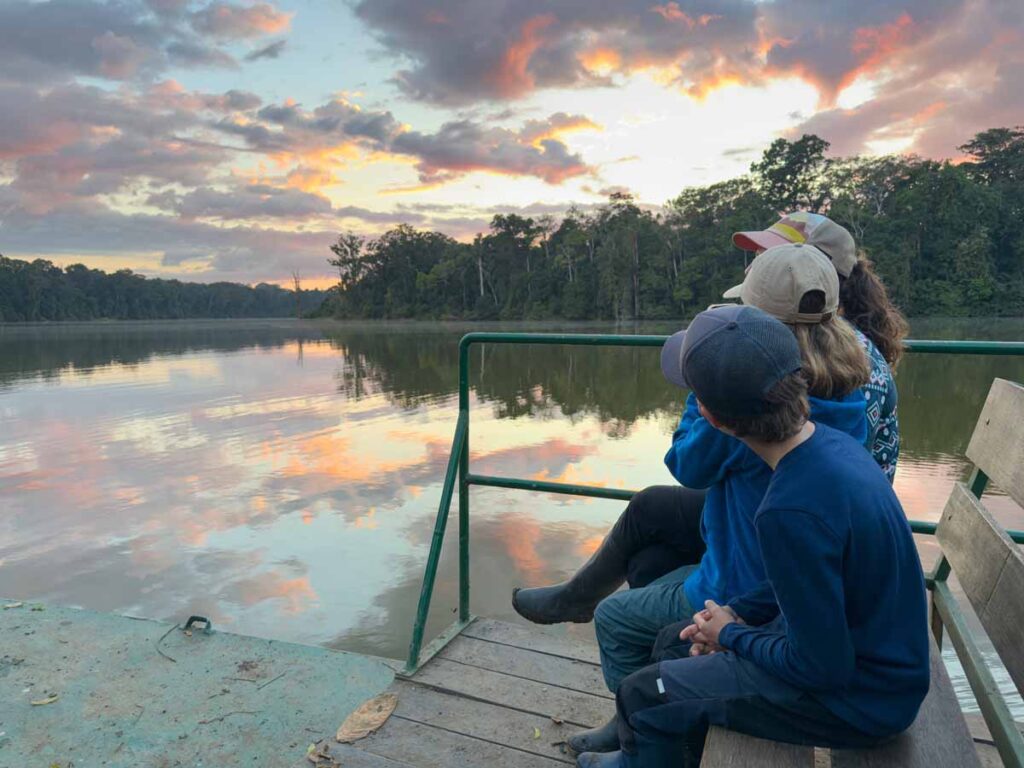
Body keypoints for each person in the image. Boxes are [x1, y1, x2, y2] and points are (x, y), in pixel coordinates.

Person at [514, 244, 873, 753]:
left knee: (617, 619)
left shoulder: (759, 393)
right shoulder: (848, 373)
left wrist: (704, 380)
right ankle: (597, 624)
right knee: (651, 532)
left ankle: (642, 725)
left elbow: (690, 464)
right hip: (755, 538)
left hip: (752, 572)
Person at [576, 304, 929, 768]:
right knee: (672, 644)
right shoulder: (832, 444)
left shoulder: (788, 510)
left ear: (713, 420)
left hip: (861, 703)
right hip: (877, 666)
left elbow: (821, 668)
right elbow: (807, 583)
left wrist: (733, 635)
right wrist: (737, 612)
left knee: (647, 692)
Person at [730, 211, 903, 479]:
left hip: (822, 510)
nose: (751, 269)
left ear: (815, 271)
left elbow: (822, 470)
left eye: (768, 258)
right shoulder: (836, 344)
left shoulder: (842, 362)